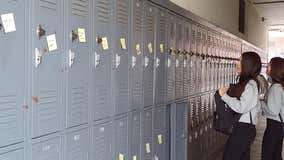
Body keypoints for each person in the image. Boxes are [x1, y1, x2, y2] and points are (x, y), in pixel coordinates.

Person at [219, 52, 262, 160]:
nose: (237, 63)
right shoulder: (248, 83)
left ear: (247, 64)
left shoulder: (250, 85)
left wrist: (224, 96)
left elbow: (241, 107)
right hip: (244, 129)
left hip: (244, 130)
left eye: (240, 61)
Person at [261, 57, 284, 160]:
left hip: (274, 126)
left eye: (269, 65)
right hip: (279, 126)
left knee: (268, 155)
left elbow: (273, 111)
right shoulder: (280, 86)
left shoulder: (276, 88)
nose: (267, 67)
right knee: (276, 155)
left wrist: (260, 103)